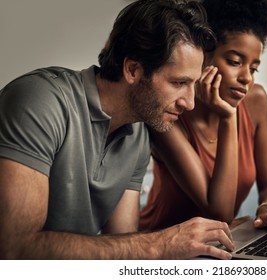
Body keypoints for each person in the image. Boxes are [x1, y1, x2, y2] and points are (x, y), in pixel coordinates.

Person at [0, 0, 235, 260]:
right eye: (179, 82)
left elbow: (123, 246)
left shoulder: (138, 135)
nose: (189, 103)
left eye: (193, 85)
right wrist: (161, 243)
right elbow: (14, 249)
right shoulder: (40, 101)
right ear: (133, 69)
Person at [140, 0, 267, 237]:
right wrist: (229, 117)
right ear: (203, 57)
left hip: (216, 243)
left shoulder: (256, 100)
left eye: (254, 68)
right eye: (235, 62)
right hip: (161, 246)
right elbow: (219, 213)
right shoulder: (169, 112)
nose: (246, 77)